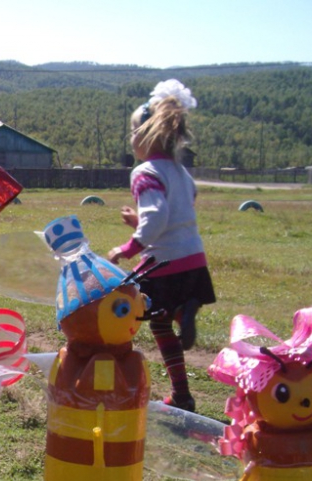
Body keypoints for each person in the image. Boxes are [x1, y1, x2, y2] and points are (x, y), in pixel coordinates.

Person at [108, 79, 215, 413]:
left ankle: (109, 363)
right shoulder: (181, 173)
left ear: (145, 135)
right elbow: (176, 213)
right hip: (193, 258)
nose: (131, 139)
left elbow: (156, 217)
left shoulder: (145, 172)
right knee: (160, 321)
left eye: (132, 132)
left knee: (141, 313)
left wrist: (127, 248)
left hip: (163, 262)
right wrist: (139, 221)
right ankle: (181, 393)